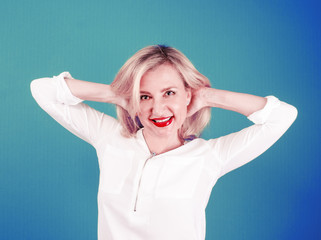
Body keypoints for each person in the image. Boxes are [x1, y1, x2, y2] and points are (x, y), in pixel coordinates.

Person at [30, 45, 297, 240]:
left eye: (169, 93)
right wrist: (118, 94)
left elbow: (283, 116)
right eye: (145, 96)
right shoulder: (109, 138)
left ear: (187, 94)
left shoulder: (209, 157)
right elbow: (42, 90)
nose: (158, 109)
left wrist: (208, 96)